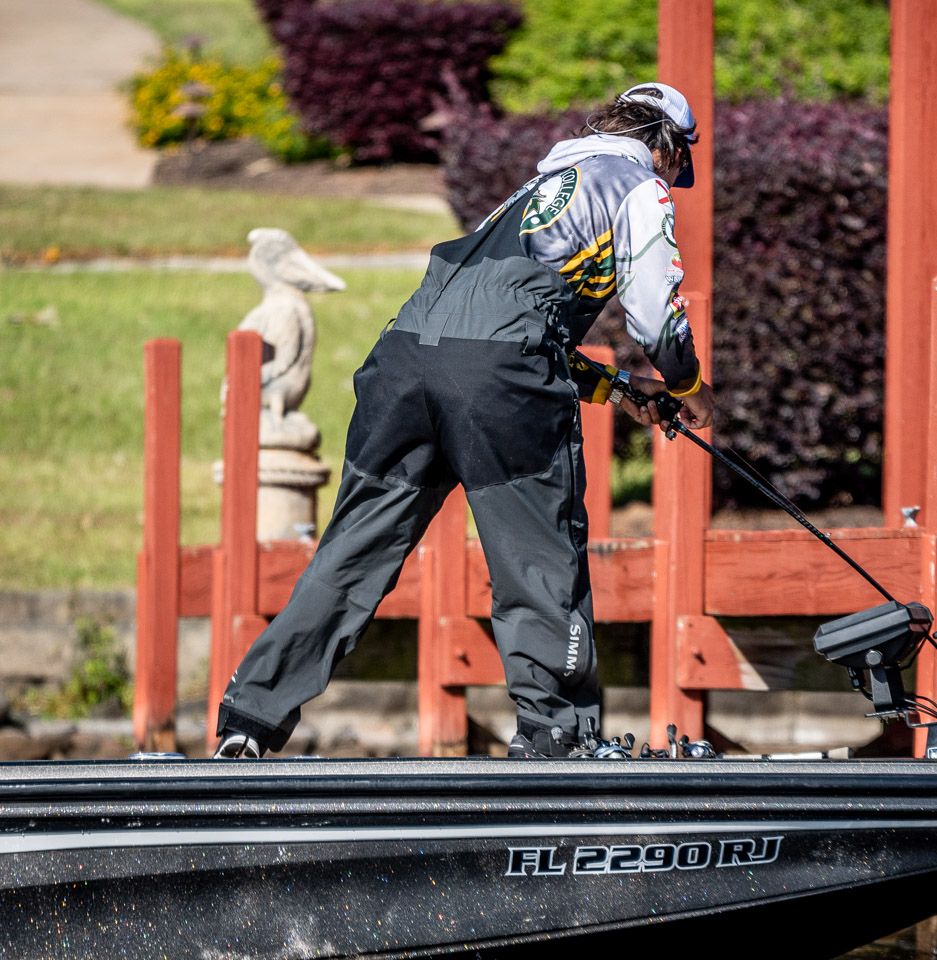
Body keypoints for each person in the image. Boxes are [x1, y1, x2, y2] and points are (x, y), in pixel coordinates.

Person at [214, 82, 714, 760]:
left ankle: (248, 719)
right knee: (540, 560)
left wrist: (617, 388)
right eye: (678, 166)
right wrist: (687, 384)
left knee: (352, 554)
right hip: (497, 384)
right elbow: (653, 314)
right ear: (666, 147)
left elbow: (489, 324)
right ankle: (557, 738)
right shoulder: (637, 187)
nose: (674, 180)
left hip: (401, 366)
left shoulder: (531, 194)